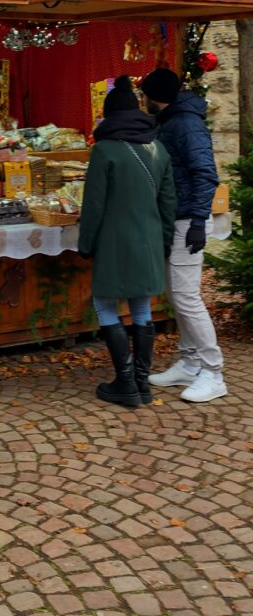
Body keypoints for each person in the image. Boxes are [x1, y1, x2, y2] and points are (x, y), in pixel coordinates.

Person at [78, 75, 177, 407]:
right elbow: (168, 203)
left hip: (114, 242)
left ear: (109, 117)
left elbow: (93, 205)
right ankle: (141, 383)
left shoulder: (105, 150)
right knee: (141, 306)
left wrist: (86, 243)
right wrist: (164, 241)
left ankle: (125, 381)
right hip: (148, 239)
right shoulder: (158, 148)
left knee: (105, 304)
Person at [141, 68, 226, 403]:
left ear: (152, 95)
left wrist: (197, 221)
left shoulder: (187, 124)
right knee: (177, 295)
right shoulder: (170, 120)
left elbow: (206, 173)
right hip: (174, 218)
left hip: (187, 219)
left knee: (187, 297)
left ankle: (213, 371)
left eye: (144, 94)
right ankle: (190, 363)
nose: (142, 100)